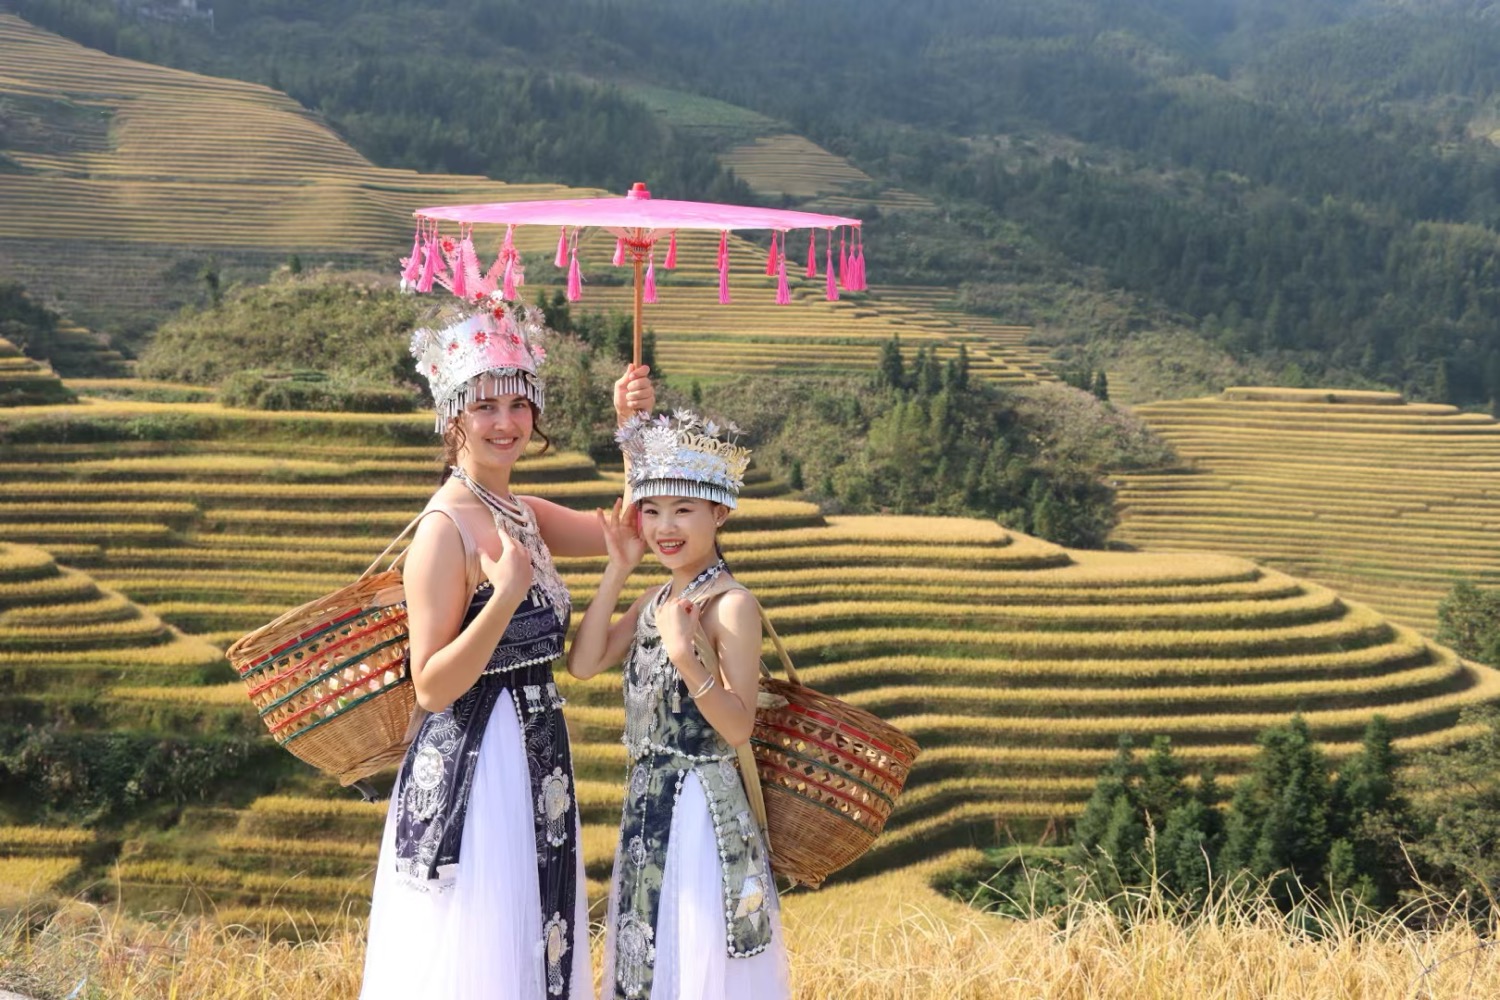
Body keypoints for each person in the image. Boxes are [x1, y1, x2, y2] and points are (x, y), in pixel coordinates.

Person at [360, 301, 654, 1000]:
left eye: (519, 404)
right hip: (475, 759)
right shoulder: (445, 529)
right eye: (485, 405)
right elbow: (431, 685)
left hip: (536, 750)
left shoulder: (519, 510)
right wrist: (502, 596)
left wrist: (633, 432)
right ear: (452, 415)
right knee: (486, 946)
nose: (506, 422)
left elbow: (629, 537)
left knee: (536, 936)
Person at [568, 409, 791, 1000]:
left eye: (683, 509)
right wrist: (618, 569)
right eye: (653, 510)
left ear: (719, 513)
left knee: (694, 957)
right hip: (648, 801)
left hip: (701, 809)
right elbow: (584, 663)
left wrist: (688, 657)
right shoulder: (655, 596)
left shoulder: (731, 604)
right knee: (649, 954)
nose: (665, 526)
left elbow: (738, 725)